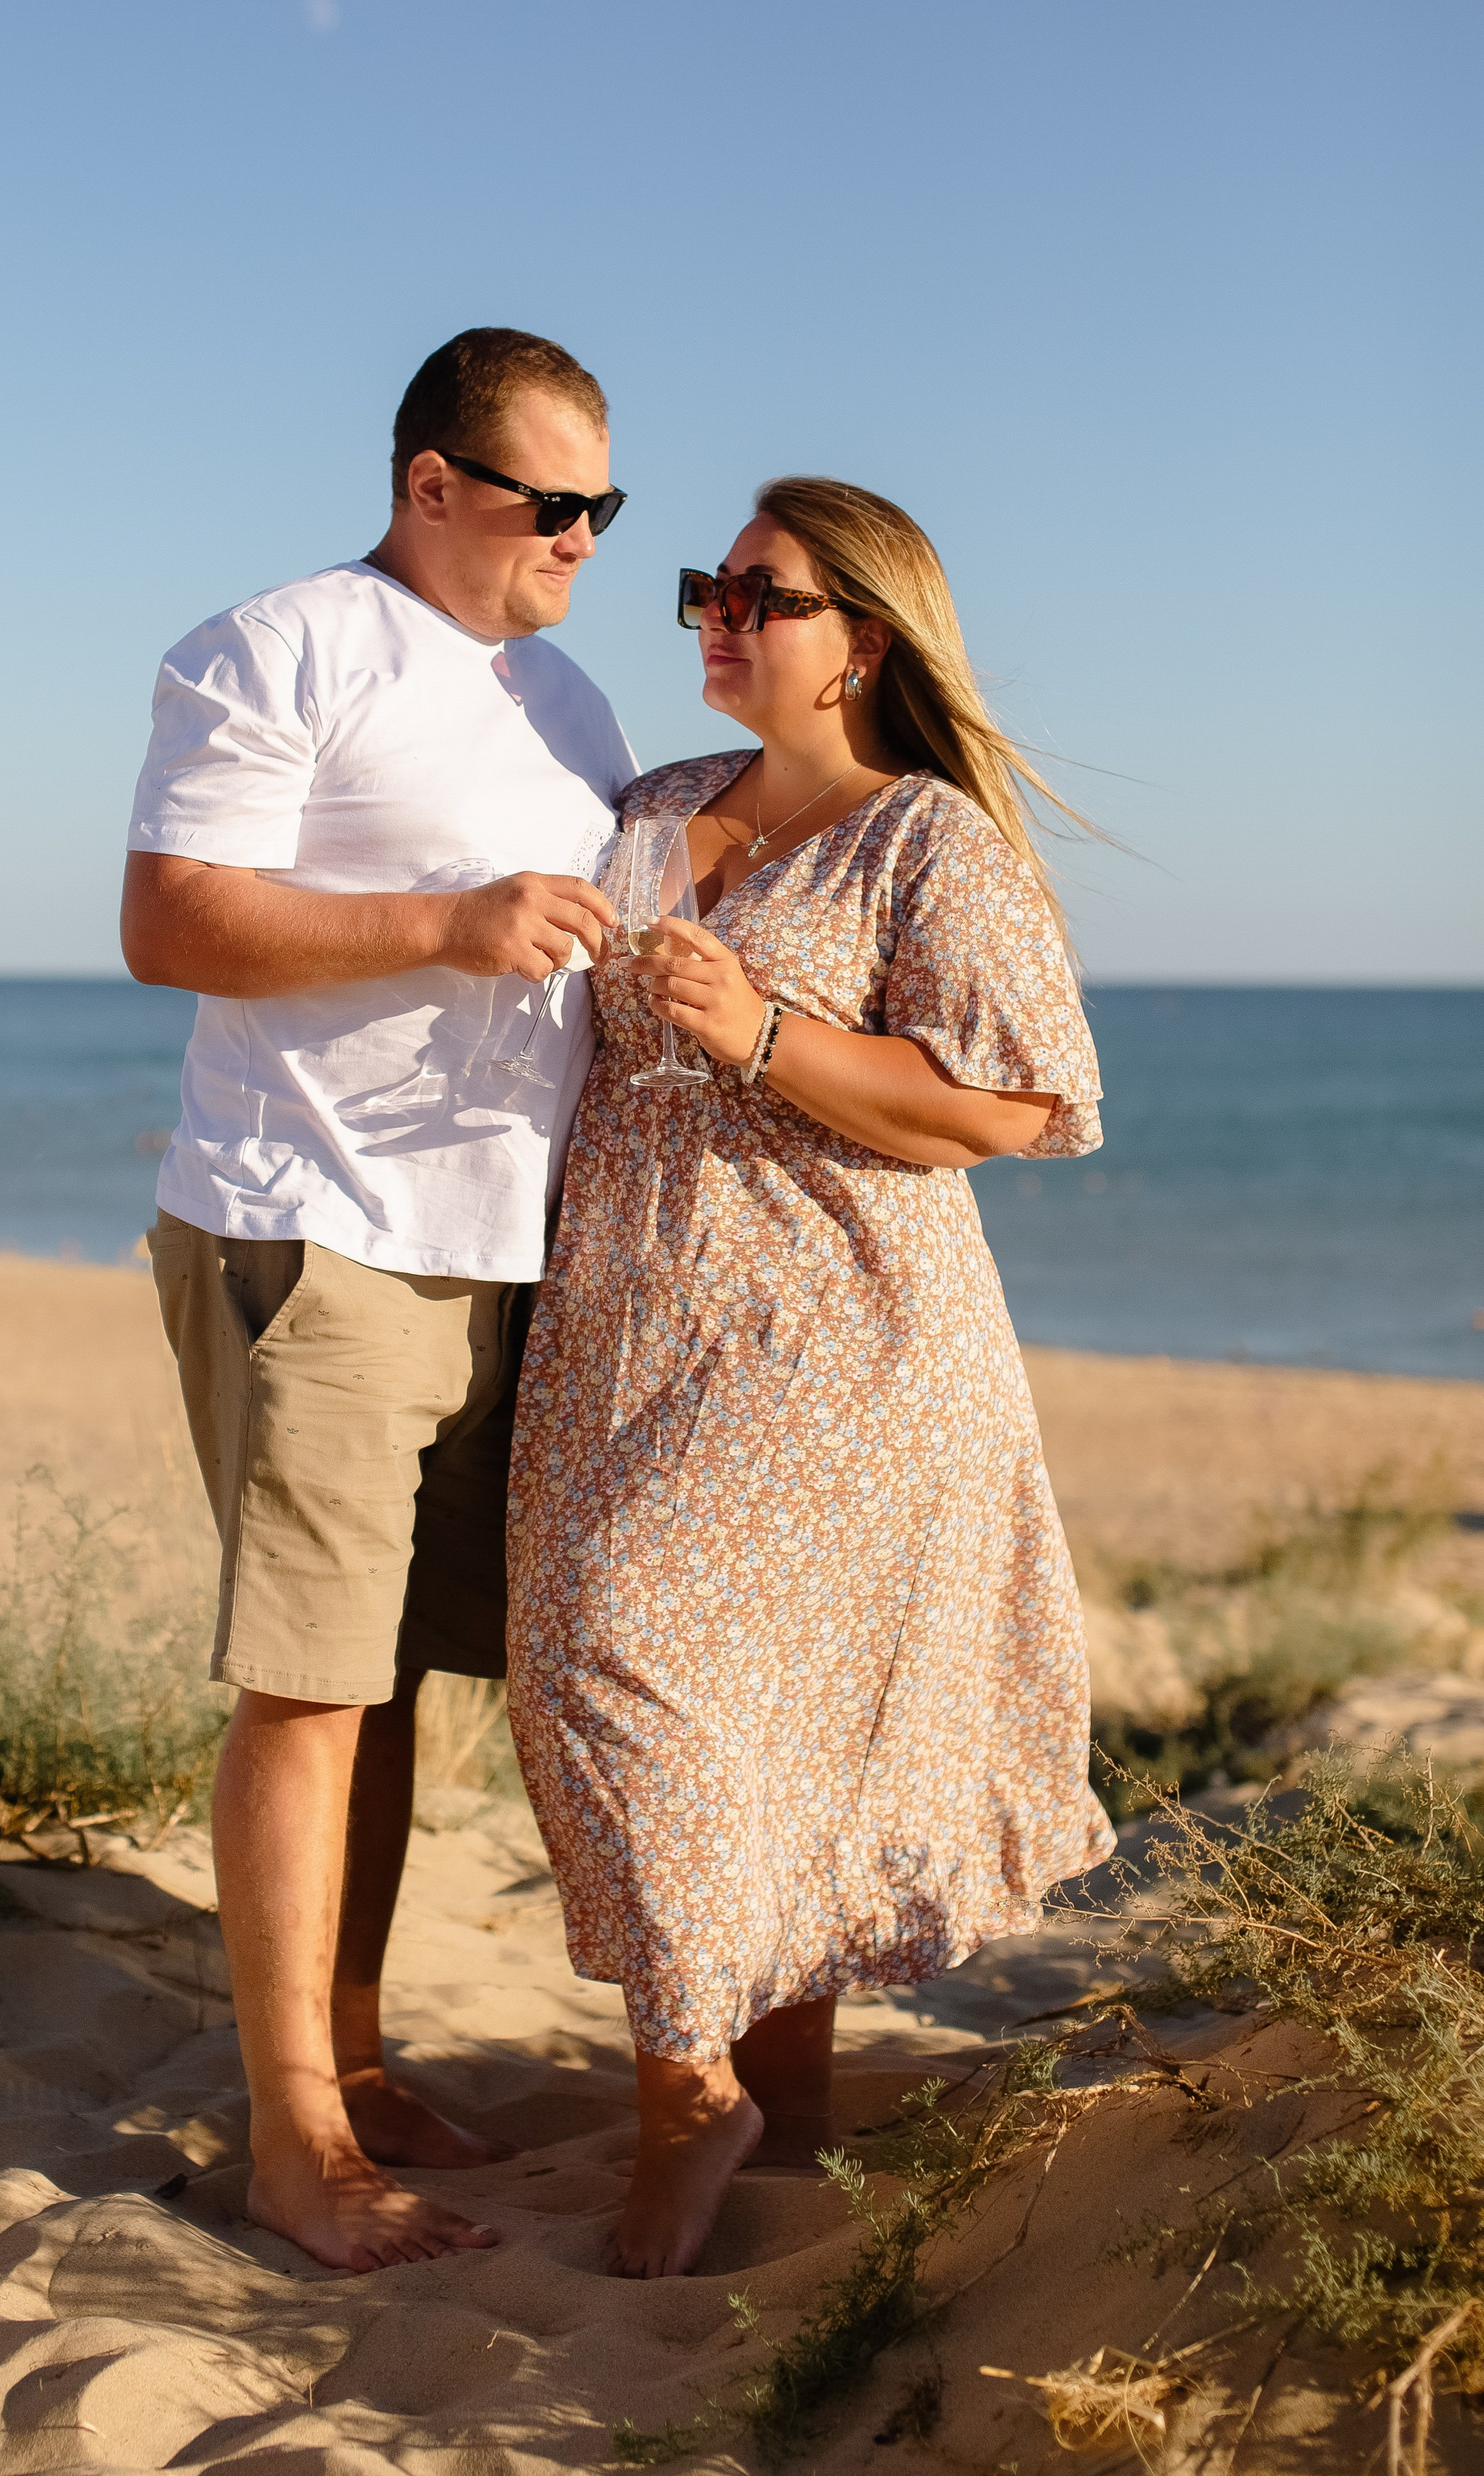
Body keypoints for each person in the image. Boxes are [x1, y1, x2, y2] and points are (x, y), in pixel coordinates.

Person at [506, 476, 1116, 2279]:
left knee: (683, 1683)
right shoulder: (655, 808)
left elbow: (1016, 1109)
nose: (710, 612)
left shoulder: (927, 841)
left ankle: (698, 2100)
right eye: (704, 587)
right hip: (627, 1331)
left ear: (862, 639)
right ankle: (751, 2096)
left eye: (755, 595)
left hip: (844, 1348)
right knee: (613, 1670)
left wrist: (766, 1033)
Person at [121, 328, 633, 2274]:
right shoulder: (276, 648)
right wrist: (445, 920)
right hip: (310, 1226)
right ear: (431, 485)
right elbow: (168, 918)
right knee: (310, 1685)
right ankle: (290, 2146)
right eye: (547, 501)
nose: (582, 535)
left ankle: (355, 2059)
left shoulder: (566, 697)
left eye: (605, 502)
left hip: (499, 1255)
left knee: (396, 1676)